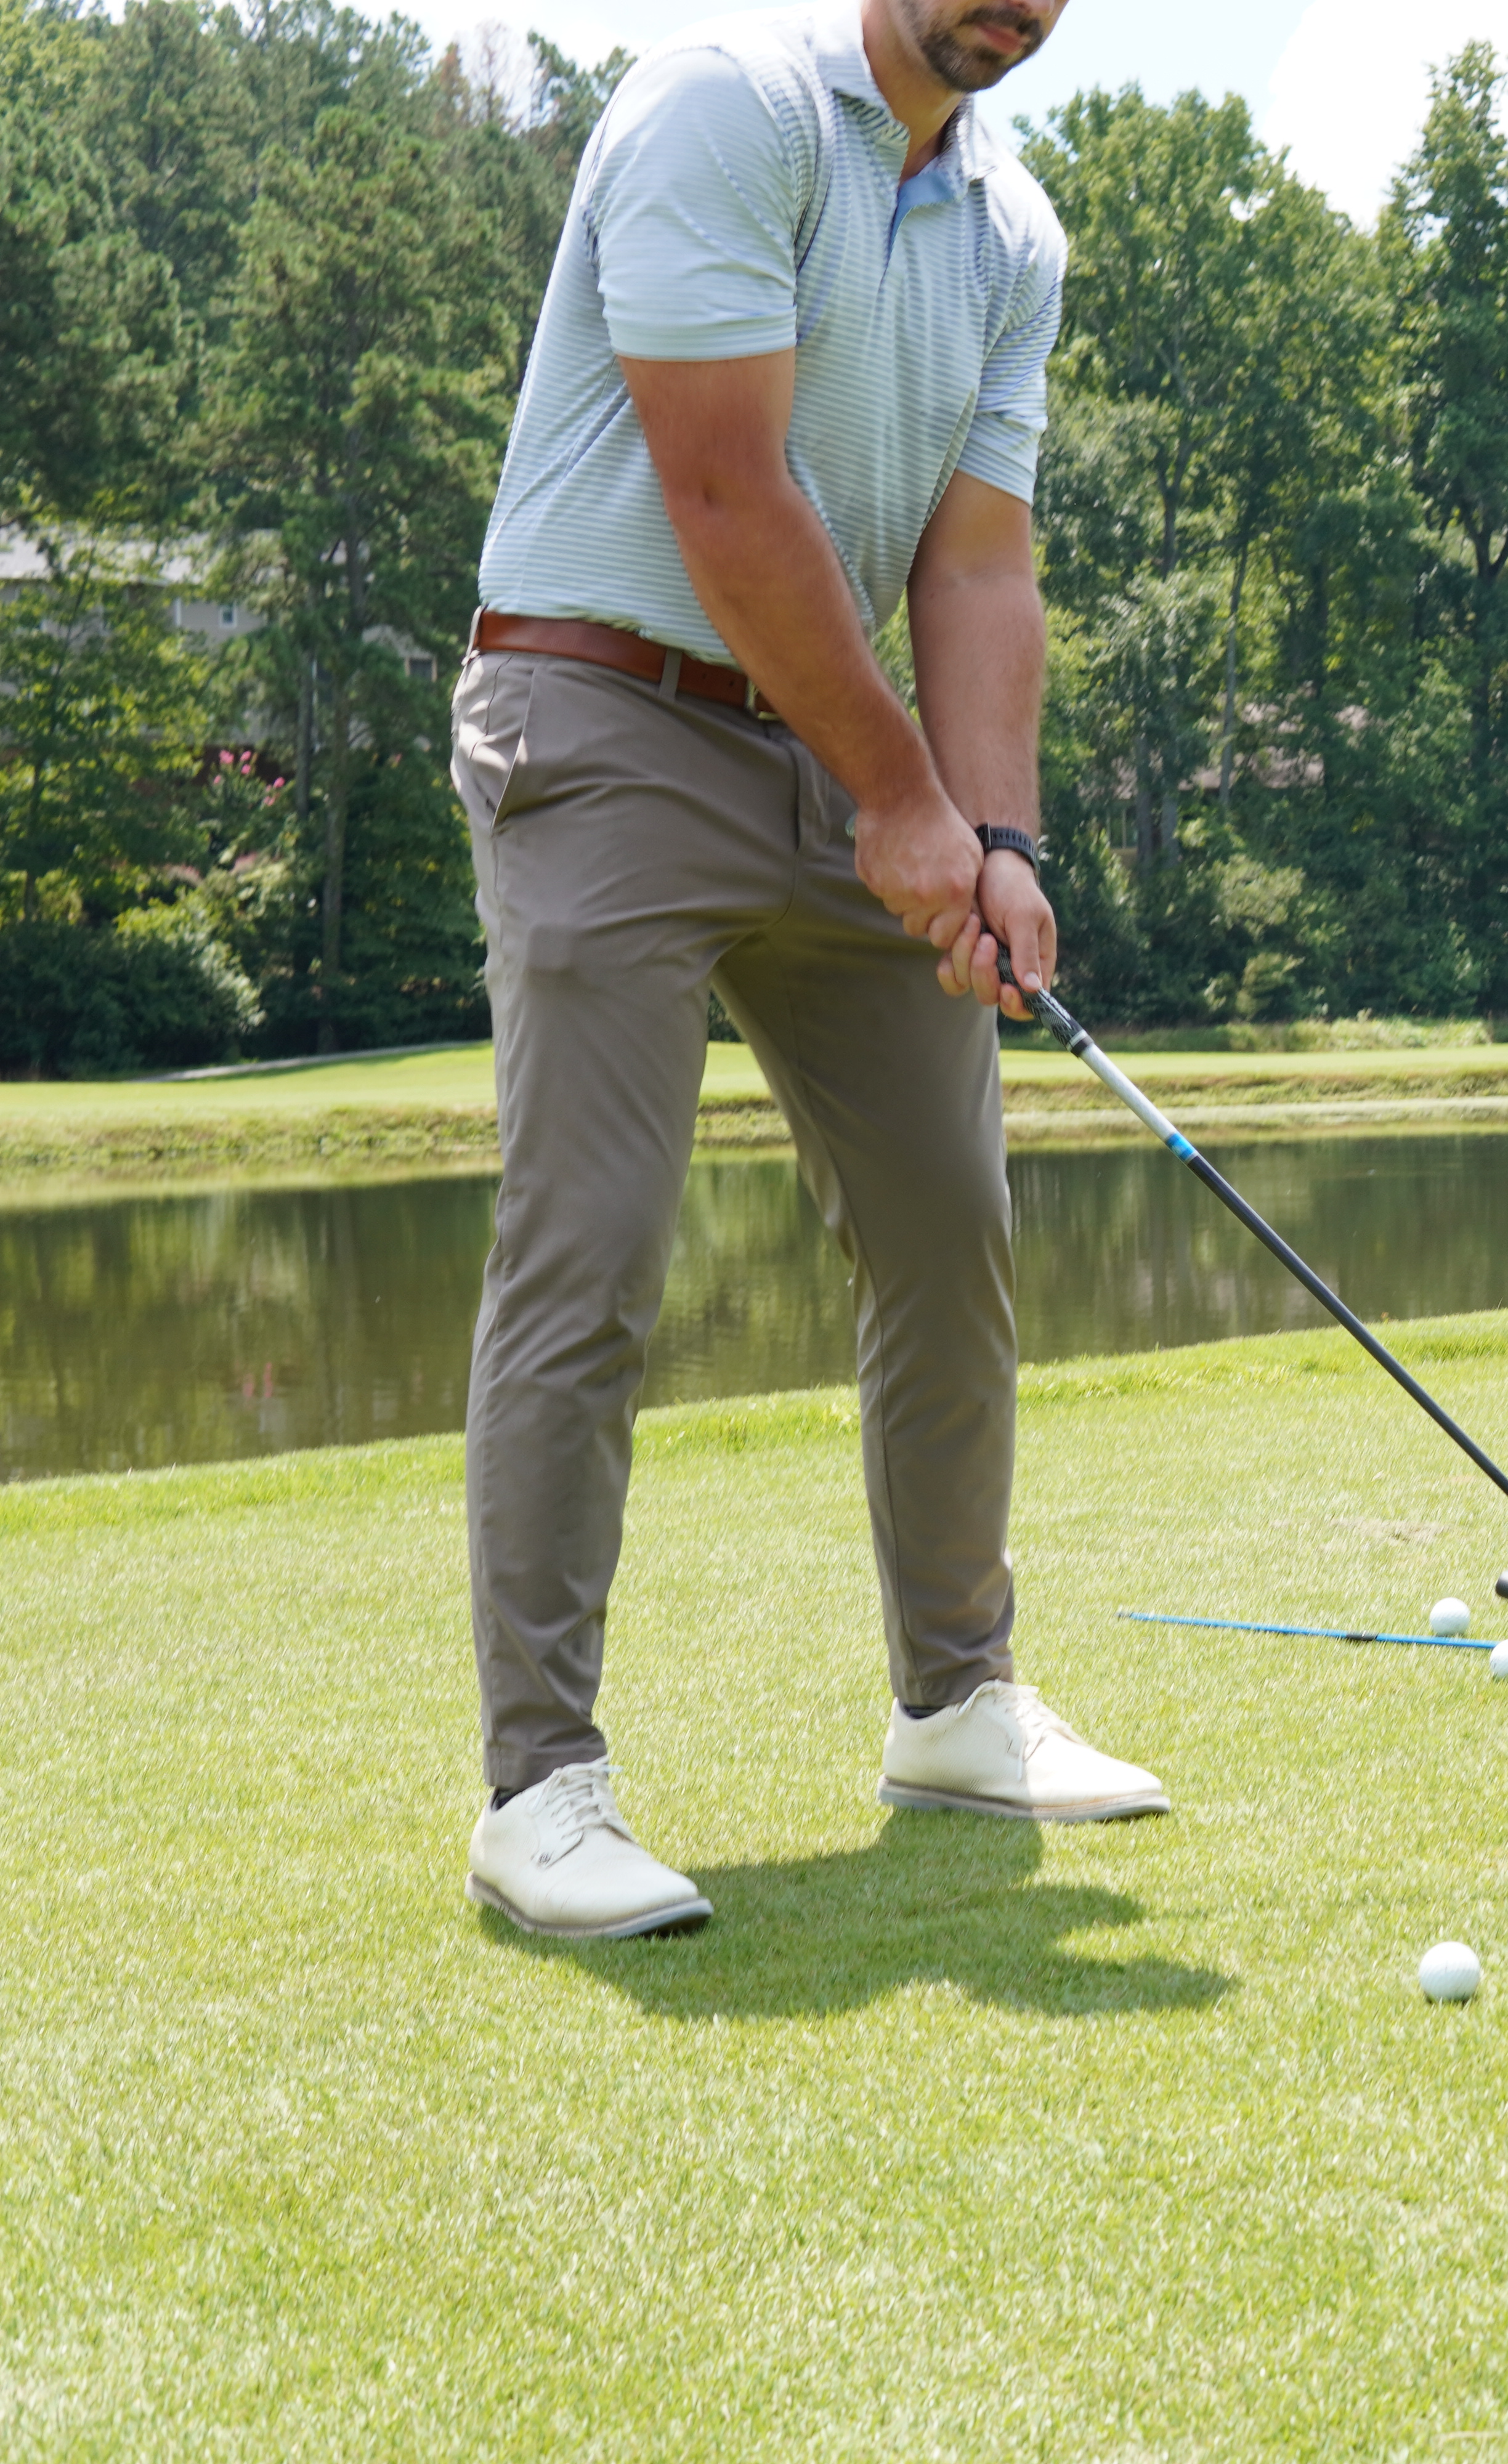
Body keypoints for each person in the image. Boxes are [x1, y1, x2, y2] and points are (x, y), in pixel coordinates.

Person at [453, 0, 1163, 1942]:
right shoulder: (727, 104)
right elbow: (723, 490)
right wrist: (903, 798)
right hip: (605, 715)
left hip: (839, 749)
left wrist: (994, 838)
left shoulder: (1014, 229)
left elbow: (978, 561)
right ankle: (542, 1792)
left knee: (950, 1224)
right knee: (591, 1246)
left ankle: (956, 1699)